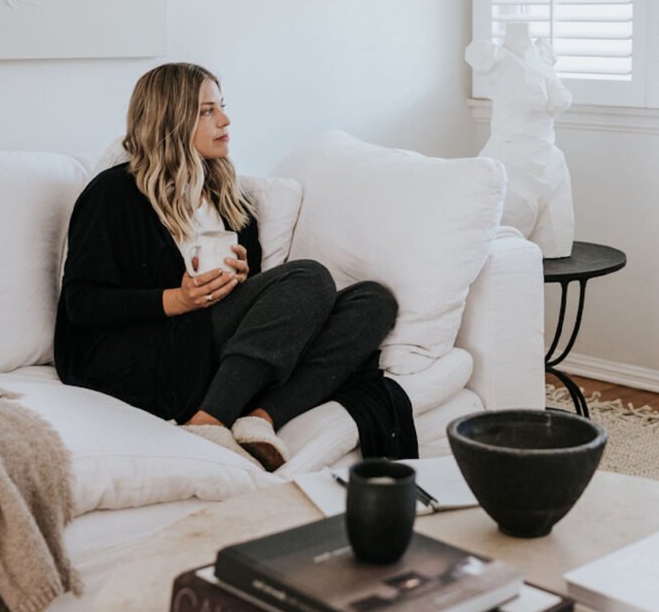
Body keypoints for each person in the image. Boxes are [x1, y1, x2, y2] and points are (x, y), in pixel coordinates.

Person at [54, 62, 413, 471]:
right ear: (170, 119)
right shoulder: (114, 194)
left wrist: (245, 279)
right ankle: (209, 421)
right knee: (309, 276)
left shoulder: (229, 197)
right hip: (137, 353)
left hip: (208, 343)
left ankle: (260, 418)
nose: (225, 120)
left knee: (374, 301)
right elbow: (82, 304)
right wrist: (178, 299)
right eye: (207, 111)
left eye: (221, 107)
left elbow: (265, 314)